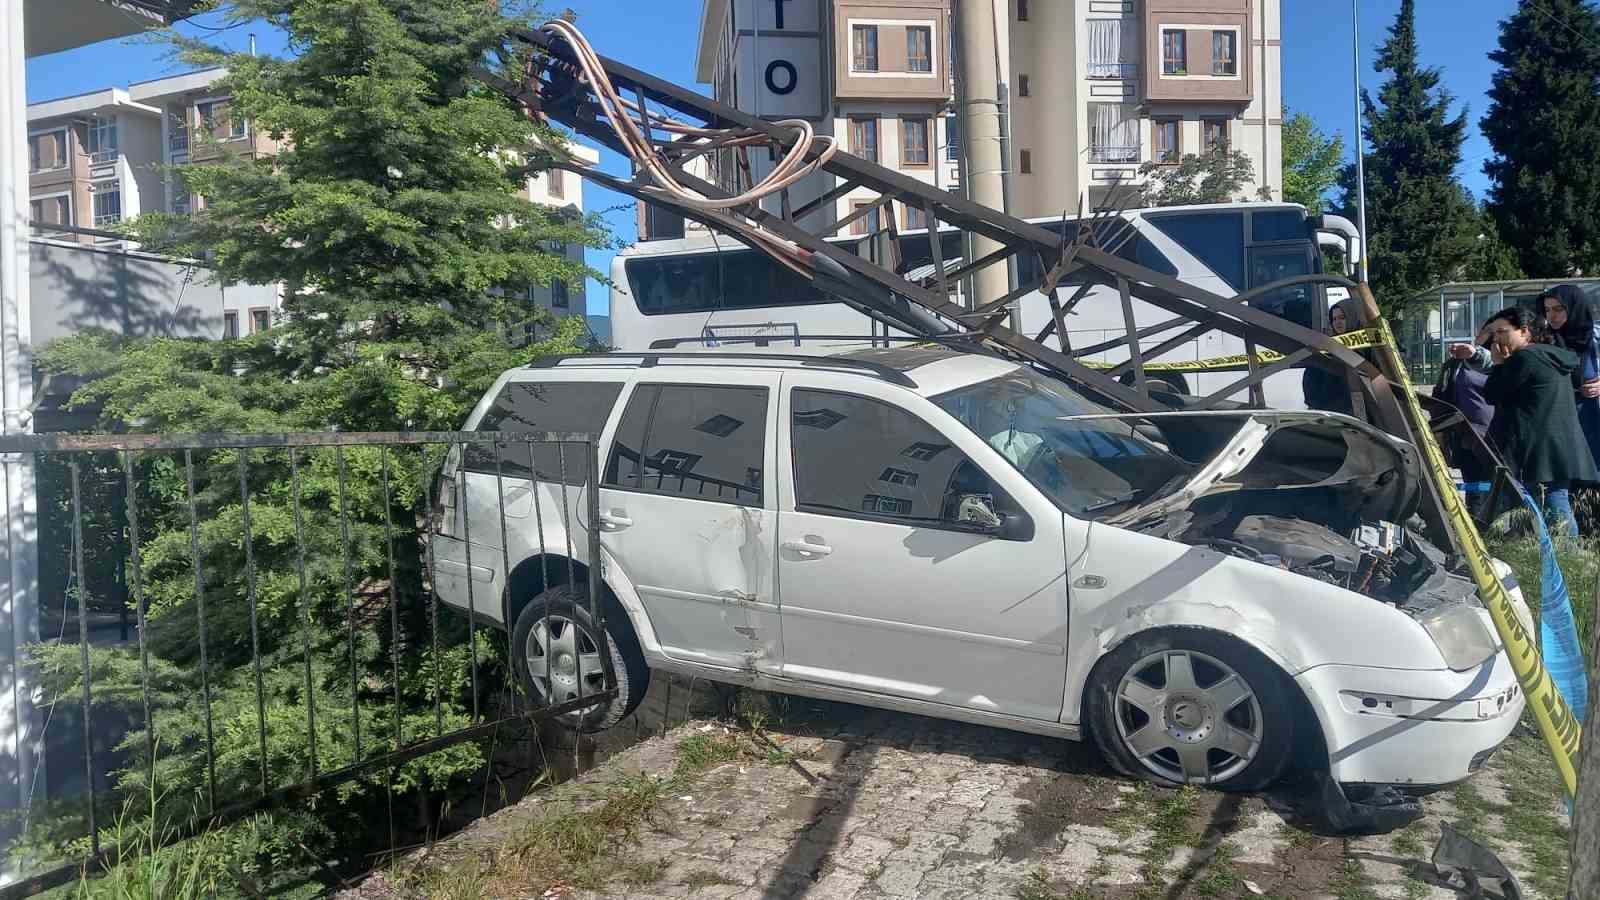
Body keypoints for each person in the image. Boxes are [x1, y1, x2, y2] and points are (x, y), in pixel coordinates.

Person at [1481, 306, 1598, 536]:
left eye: (1502, 331)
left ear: (1524, 332)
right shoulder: (1550, 355)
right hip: (1557, 448)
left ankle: (1564, 561)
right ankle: (1564, 560)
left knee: (1552, 513)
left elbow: (1492, 394)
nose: (1496, 339)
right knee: (1555, 506)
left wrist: (1497, 364)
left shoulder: (1525, 357)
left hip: (1539, 451)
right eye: (1493, 333)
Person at [1433, 323, 1496, 511]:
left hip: (1495, 436)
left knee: (1494, 485)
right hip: (1467, 435)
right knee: (1474, 484)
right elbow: (1441, 394)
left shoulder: (1501, 363)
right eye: (1483, 332)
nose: (1482, 336)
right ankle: (1476, 524)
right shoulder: (1456, 365)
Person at [1540, 284, 1600, 469]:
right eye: (1547, 310)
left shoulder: (1595, 336)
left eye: (1559, 309)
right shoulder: (1545, 339)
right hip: (1561, 421)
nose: (1552, 316)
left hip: (1593, 417)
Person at [1303, 300, 1354, 414]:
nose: (1338, 322)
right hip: (1331, 415)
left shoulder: (1369, 345)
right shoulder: (1328, 346)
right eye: (1334, 319)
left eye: (1342, 318)